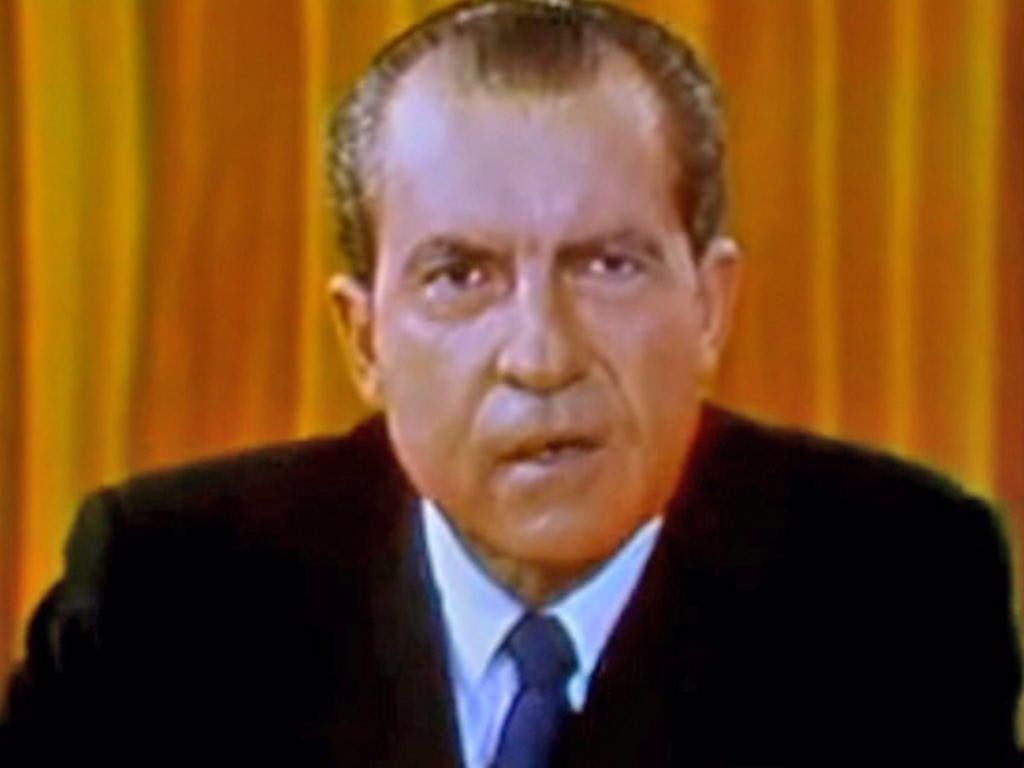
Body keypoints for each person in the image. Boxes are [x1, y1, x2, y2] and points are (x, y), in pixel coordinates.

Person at [1, 1, 1020, 765]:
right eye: (461, 276)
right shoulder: (164, 598)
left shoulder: (896, 588)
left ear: (709, 307)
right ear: (364, 339)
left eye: (607, 265)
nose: (541, 355)